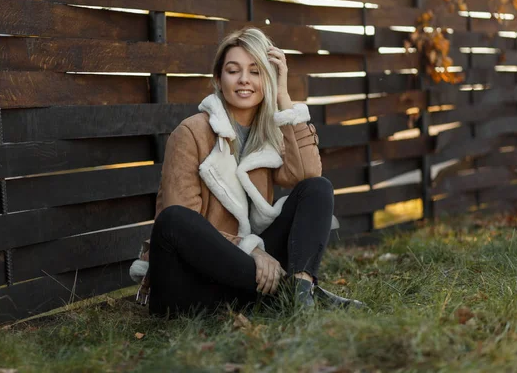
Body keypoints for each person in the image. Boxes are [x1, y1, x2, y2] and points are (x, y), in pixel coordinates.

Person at [130, 27, 360, 316]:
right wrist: (252, 249)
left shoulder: (267, 136)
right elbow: (183, 227)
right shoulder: (191, 133)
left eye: (255, 71)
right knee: (174, 219)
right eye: (233, 70)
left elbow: (308, 173)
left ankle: (300, 295)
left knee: (318, 188)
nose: (244, 80)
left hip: (241, 280)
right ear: (218, 79)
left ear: (268, 80)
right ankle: (286, 292)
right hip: (187, 285)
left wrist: (284, 97)